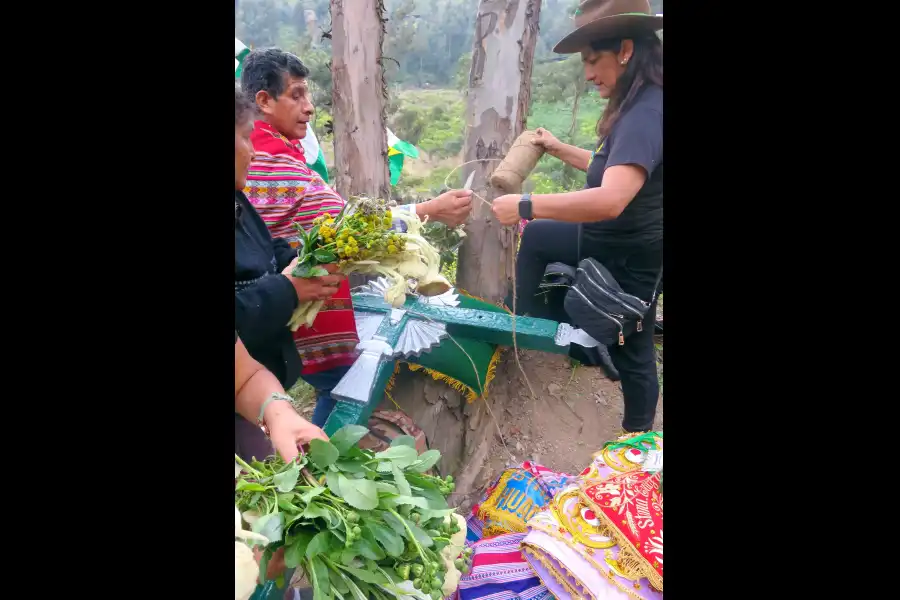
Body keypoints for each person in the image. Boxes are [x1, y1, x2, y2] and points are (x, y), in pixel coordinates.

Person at [239, 48, 473, 429]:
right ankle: (319, 466)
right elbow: (351, 225)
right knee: (337, 387)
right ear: (263, 101)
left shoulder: (275, 151)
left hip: (273, 306)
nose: (309, 107)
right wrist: (431, 209)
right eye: (297, 94)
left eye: (309, 95)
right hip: (274, 307)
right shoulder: (267, 159)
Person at [492, 0, 663, 434]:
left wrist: (526, 205)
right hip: (610, 240)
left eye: (593, 60)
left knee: (633, 348)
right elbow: (619, 169)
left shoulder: (646, 112)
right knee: (542, 238)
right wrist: (557, 147)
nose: (588, 74)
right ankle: (535, 328)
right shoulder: (642, 101)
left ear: (625, 49)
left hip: (629, 254)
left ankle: (636, 446)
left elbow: (611, 198)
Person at [235, 83, 342, 462]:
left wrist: (277, 412)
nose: (252, 151)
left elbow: (243, 376)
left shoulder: (239, 200)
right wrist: (289, 289)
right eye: (245, 138)